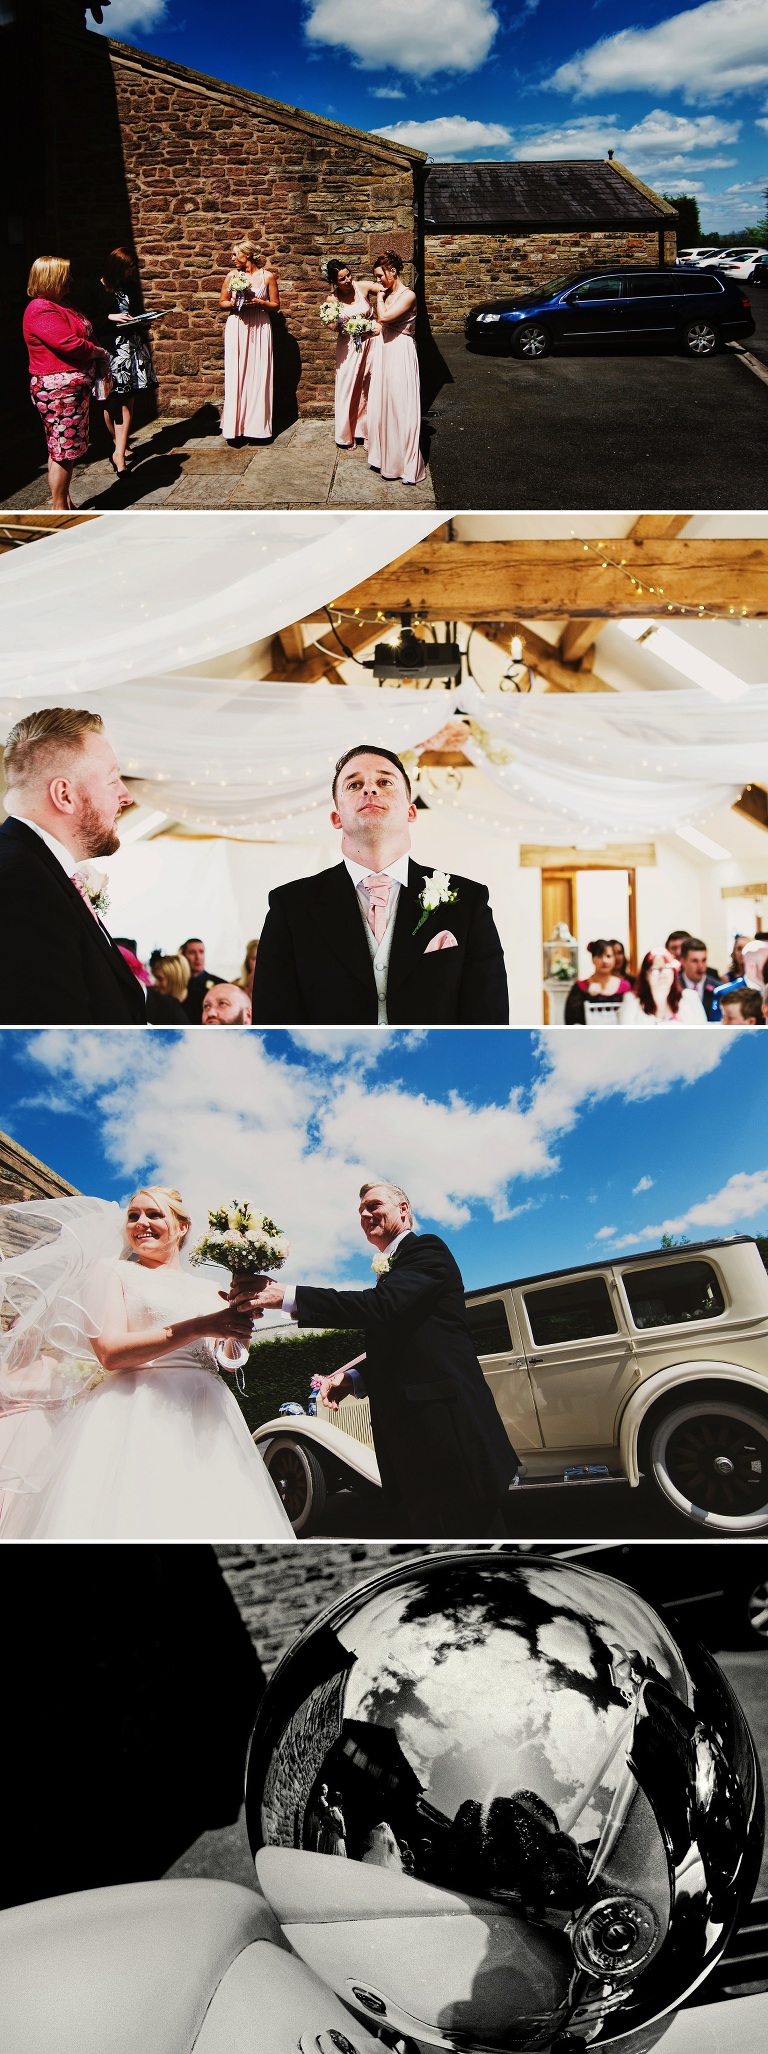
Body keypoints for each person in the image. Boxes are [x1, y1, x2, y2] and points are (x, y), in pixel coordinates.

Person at [0, 1187, 295, 1541]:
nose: (141, 1223)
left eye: (154, 1215)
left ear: (182, 1227)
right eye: (133, 1216)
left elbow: (229, 1362)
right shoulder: (112, 1272)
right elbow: (110, 1354)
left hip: (209, 1413)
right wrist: (200, 1325)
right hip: (136, 1411)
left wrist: (240, 1323)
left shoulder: (209, 1288)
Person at [233, 1179, 519, 1538]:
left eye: (374, 1205)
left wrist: (288, 1297)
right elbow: (406, 1344)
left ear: (403, 1209)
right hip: (413, 1441)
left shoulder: (427, 1249)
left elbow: (380, 1307)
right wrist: (353, 1378)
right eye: (361, 1211)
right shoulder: (393, 1270)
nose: (365, 1214)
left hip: (447, 1433)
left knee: (474, 1536)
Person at [251, 745, 508, 1025]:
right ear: (336, 818)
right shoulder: (291, 906)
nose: (370, 789)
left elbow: (488, 1022)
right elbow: (274, 1022)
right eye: (354, 784)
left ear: (411, 811)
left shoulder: (468, 901)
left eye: (385, 781)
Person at [0, 708, 146, 1024]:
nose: (126, 796)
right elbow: (52, 1038)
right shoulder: (22, 885)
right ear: (65, 795)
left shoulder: (37, 870)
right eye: (112, 780)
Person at [22, 256, 111, 509]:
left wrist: (98, 355)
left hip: (70, 390)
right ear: (51, 279)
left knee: (60, 449)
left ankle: (64, 502)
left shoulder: (62, 304)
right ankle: (59, 509)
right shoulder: (40, 309)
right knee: (64, 451)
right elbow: (69, 344)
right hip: (59, 391)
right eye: (65, 276)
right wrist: (100, 353)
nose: (70, 280)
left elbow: (87, 332)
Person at [366, 252, 426, 486]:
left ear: (393, 272)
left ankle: (403, 463)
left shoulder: (408, 295)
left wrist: (379, 298)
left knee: (400, 404)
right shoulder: (390, 293)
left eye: (380, 276)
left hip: (400, 352)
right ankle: (384, 458)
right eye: (376, 277)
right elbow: (380, 326)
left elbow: (385, 317)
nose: (378, 281)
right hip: (385, 351)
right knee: (384, 403)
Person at [99, 246, 158, 475]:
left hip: (132, 348)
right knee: (110, 401)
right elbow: (86, 320)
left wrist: (144, 321)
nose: (130, 273)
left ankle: (119, 455)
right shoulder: (98, 288)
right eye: (127, 269)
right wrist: (110, 317)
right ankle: (118, 444)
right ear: (117, 267)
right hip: (112, 351)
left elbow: (137, 313)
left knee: (128, 398)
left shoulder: (130, 287)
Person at [219, 237, 279, 443]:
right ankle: (236, 426)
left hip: (260, 325)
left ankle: (257, 427)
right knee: (236, 373)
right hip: (238, 325)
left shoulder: (267, 276)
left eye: (235, 254)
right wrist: (233, 303)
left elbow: (276, 305)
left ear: (248, 255)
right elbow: (221, 302)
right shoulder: (232, 276)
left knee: (259, 373)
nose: (232, 258)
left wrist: (261, 302)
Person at [323, 257, 377, 448]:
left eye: (348, 275)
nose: (348, 280)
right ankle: (347, 433)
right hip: (348, 346)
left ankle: (368, 432)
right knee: (348, 386)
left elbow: (387, 289)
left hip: (371, 342)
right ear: (334, 282)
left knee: (369, 386)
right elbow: (332, 326)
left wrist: (382, 318)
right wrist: (332, 321)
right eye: (342, 279)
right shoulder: (332, 299)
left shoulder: (362, 287)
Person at [619, 950, 706, 1025]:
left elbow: (703, 1033)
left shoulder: (690, 997)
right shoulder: (632, 1001)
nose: (662, 974)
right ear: (646, 975)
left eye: (666, 968)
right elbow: (626, 1035)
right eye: (655, 969)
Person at [564, 941, 632, 1024]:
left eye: (608, 956)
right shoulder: (580, 986)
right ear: (593, 959)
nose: (604, 961)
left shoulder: (625, 987)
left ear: (614, 959)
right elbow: (571, 1020)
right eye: (599, 956)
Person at [180, 939, 226, 1024]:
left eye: (201, 952)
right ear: (183, 956)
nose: (198, 957)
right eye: (192, 953)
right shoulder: (176, 985)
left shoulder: (220, 985)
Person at [679, 937, 720, 1018]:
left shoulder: (718, 988)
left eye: (704, 960)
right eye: (695, 961)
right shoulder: (673, 988)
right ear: (683, 961)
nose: (700, 966)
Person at [145, 951, 190, 1025]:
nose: (155, 984)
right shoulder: (152, 1001)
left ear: (174, 980)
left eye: (160, 979)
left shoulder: (198, 1004)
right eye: (155, 978)